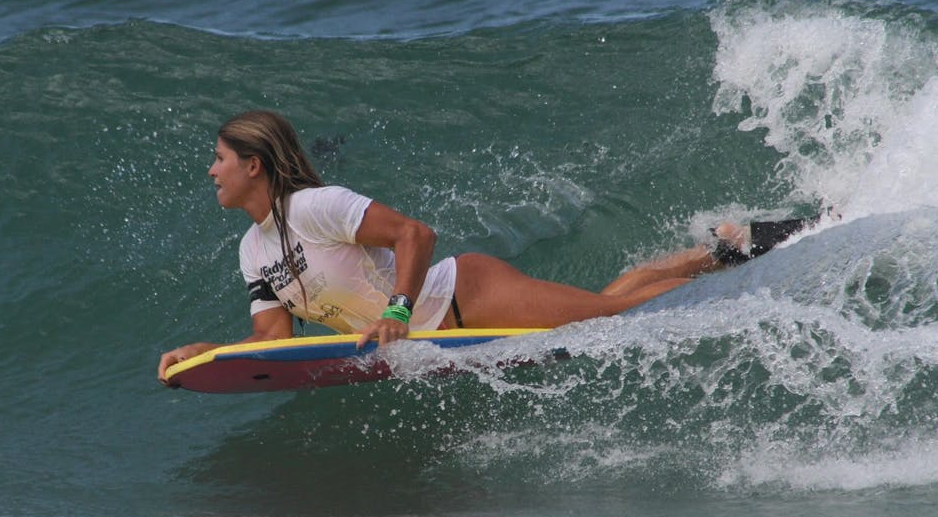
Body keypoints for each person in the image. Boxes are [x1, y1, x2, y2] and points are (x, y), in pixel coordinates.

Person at [157, 109, 813, 386]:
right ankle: (695, 256)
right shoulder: (252, 251)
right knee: (599, 309)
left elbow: (415, 234)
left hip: (466, 294)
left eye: (218, 159)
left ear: (253, 165)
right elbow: (273, 341)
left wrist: (395, 311)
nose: (209, 171)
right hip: (441, 331)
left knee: (619, 322)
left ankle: (731, 274)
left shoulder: (314, 208)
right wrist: (210, 353)